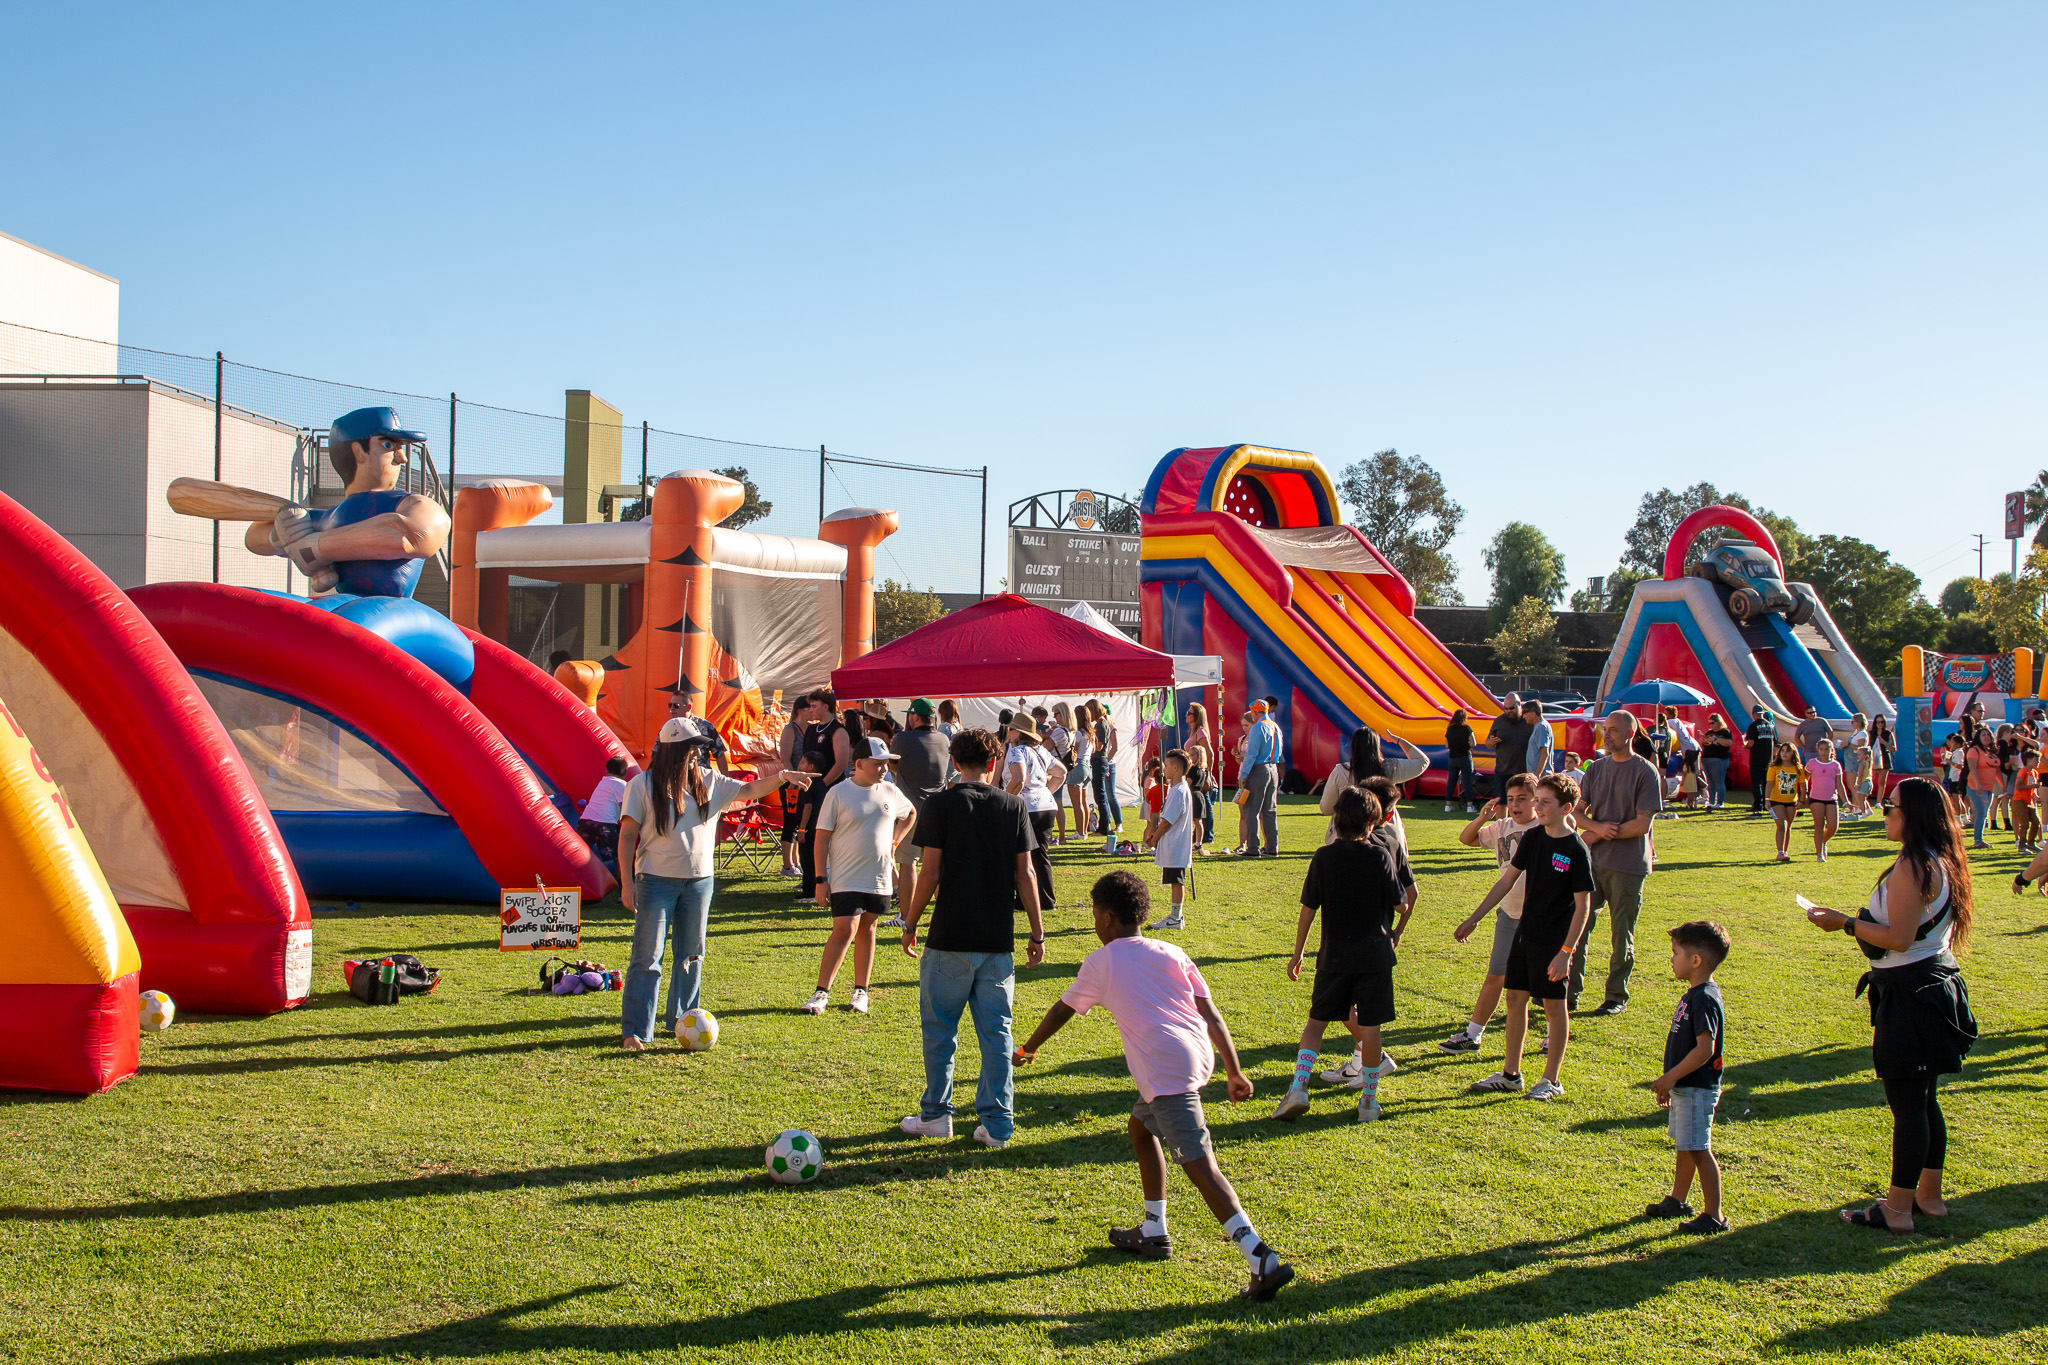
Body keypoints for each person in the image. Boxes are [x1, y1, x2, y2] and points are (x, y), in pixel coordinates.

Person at [1013, 870, 1293, 1302]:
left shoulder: (1102, 961)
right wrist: (1234, 1070)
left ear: (1106, 918)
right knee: (1141, 1129)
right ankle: (1153, 1230)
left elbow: (1062, 1011)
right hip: (1194, 1057)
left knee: (1200, 1165)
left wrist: (1030, 1046)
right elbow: (1211, 1014)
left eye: (1093, 914)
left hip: (1165, 1070)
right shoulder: (1171, 951)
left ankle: (1260, 1257)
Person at [1804, 777, 1978, 1233]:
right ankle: (1929, 1196)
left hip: (1912, 995)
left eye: (1890, 806)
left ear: (1912, 815)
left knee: (1908, 1105)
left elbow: (1898, 938)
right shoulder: (1942, 859)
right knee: (1925, 1101)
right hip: (1934, 985)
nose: (1884, 812)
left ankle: (1898, 1209)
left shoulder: (1912, 866)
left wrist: (1844, 924)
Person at [617, 723, 811, 1050]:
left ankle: (680, 1021)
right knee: (647, 958)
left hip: (700, 883)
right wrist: (626, 882)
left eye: (698, 748)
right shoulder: (641, 784)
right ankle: (635, 1031)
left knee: (692, 955)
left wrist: (782, 777)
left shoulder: (710, 780)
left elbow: (749, 790)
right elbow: (625, 835)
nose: (697, 754)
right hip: (654, 882)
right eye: (690, 748)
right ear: (671, 750)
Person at [898, 727, 1046, 1149]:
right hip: (997, 938)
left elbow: (929, 872)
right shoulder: (1013, 805)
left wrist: (910, 923)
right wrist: (1037, 932)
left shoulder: (939, 804)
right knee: (997, 1034)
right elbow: (1027, 874)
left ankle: (937, 1114)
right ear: (994, 763)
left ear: (955, 763)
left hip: (949, 936)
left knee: (940, 1032)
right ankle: (998, 1124)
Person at [1274, 787, 1410, 1123]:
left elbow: (1308, 908)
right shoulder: (1379, 856)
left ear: (1336, 820)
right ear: (1372, 823)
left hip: (1334, 954)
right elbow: (1401, 903)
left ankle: (1299, 1086)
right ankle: (1369, 1101)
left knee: (1316, 1021)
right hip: (1375, 955)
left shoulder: (1323, 857)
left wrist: (1298, 953)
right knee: (1370, 1025)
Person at [1457, 774, 1594, 1100]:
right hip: (1524, 936)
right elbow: (1506, 882)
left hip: (1554, 943)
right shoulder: (1533, 839)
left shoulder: (1576, 848)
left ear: (1567, 808)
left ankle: (1551, 1080)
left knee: (1553, 1007)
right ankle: (1511, 1074)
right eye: (1538, 800)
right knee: (1515, 1000)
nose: (1537, 806)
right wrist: (1475, 918)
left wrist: (1566, 951)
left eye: (1545, 802)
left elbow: (1583, 907)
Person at [259, 406, 452, 598]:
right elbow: (254, 538)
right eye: (389, 446)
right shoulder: (328, 517)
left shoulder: (411, 505)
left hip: (391, 611)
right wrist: (286, 534)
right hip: (346, 606)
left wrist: (314, 547)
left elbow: (413, 536)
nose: (403, 458)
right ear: (359, 452)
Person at [804, 738, 917, 1015]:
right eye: (877, 764)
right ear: (859, 764)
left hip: (878, 877)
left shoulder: (890, 791)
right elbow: (821, 839)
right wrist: (820, 879)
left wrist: (894, 842)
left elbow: (910, 813)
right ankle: (821, 992)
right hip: (845, 876)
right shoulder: (839, 793)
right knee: (844, 929)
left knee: (868, 928)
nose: (883, 769)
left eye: (886, 764)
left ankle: (861, 991)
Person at [1441, 776, 1543, 1056]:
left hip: (1541, 919)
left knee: (1545, 983)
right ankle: (1473, 1034)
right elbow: (1467, 839)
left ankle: (1551, 1037)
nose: (1515, 805)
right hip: (1509, 914)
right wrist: (1482, 817)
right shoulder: (1502, 827)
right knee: (1496, 975)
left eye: (1522, 798)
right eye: (1510, 799)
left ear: (1537, 800)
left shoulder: (1546, 828)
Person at [1571, 710, 1663, 1016]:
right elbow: (1577, 812)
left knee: (1621, 934)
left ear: (1630, 733)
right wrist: (1595, 828)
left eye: (1613, 730)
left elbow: (1643, 824)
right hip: (1593, 863)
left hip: (1628, 867)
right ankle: (1568, 993)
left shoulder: (1645, 772)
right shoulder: (1596, 769)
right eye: (1605, 730)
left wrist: (1607, 832)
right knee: (1577, 928)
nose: (1607, 735)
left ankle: (1615, 996)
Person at [1646, 920, 1732, 1235]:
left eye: (1676, 953)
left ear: (1695, 961)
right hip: (1686, 1087)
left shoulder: (1705, 998)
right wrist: (1673, 1082)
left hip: (1698, 1088)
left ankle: (1714, 1214)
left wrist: (1670, 1078)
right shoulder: (1694, 993)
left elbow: (1705, 1049)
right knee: (1686, 1145)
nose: (1671, 958)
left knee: (1698, 1147)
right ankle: (1678, 1200)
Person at [886, 699, 954, 928]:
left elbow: (893, 766)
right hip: (939, 810)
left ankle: (905, 917)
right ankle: (947, 915)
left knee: (908, 863)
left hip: (910, 811)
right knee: (935, 866)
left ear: (914, 717)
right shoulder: (944, 739)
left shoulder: (902, 739)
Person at [1004, 716, 1064, 913]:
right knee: (1040, 856)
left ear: (1019, 733)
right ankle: (1046, 901)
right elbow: (1061, 772)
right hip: (1046, 806)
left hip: (1026, 808)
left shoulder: (1017, 751)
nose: (1009, 732)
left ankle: (1021, 900)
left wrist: (1004, 800)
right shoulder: (1041, 751)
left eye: (1012, 729)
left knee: (1019, 856)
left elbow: (1019, 779)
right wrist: (1046, 790)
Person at [1143, 749, 1195, 930]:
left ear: (1175, 767)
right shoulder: (1178, 789)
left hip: (1176, 844)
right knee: (1175, 880)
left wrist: (1154, 838)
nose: (1163, 770)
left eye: (1165, 766)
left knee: (1176, 881)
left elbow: (1166, 822)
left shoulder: (1178, 791)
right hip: (1175, 844)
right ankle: (1175, 916)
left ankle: (1175, 917)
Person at [1236, 699, 1283, 857]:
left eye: (1252, 713)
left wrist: (1243, 775)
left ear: (1255, 712)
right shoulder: (1275, 727)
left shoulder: (1258, 728)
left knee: (1251, 810)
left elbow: (1251, 754)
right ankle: (1272, 847)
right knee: (1269, 810)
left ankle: (1253, 848)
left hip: (1259, 768)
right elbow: (1280, 750)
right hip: (1273, 768)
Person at [577, 755, 631, 884]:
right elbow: (628, 805)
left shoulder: (603, 782)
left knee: (583, 853)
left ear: (606, 770)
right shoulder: (623, 785)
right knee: (619, 857)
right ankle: (623, 890)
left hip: (586, 821)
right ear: (625, 772)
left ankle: (584, 884)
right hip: (605, 824)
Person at [665, 692, 730, 773]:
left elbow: (719, 753)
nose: (672, 709)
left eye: (676, 705)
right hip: (677, 778)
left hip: (702, 777)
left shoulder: (705, 726)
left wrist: (725, 779)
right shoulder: (667, 729)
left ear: (688, 707)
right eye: (670, 705)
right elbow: (657, 755)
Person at [1765, 741, 1805, 862]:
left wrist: (1802, 800)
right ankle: (1780, 852)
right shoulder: (1774, 767)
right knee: (1781, 824)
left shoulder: (1798, 768)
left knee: (1788, 826)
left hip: (1792, 801)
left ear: (1793, 753)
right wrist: (1767, 799)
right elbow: (1769, 783)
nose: (1784, 753)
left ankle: (1785, 851)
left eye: (1788, 751)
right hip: (1776, 800)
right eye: (1782, 751)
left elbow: (1803, 785)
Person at [1805, 739, 1844, 862]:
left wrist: (1846, 801)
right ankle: (1819, 854)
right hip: (1816, 798)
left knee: (1833, 827)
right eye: (1821, 749)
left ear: (1831, 750)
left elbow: (1839, 784)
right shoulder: (1812, 763)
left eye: (1827, 749)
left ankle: (1822, 842)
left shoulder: (1835, 765)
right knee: (1819, 826)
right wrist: (1804, 795)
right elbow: (1804, 779)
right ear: (1818, 750)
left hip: (1832, 798)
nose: (1824, 752)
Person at [1184, 702, 1215, 854]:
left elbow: (1209, 753)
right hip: (1194, 771)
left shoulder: (1200, 732)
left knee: (1203, 803)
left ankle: (1206, 835)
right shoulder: (1193, 731)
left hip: (1198, 773)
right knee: (1201, 803)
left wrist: (1207, 772)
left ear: (1197, 716)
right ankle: (1202, 835)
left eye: (1189, 713)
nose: (1186, 715)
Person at [1094, 701, 1125, 852]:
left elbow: (1115, 747)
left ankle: (1119, 823)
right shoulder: (1099, 726)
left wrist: (1107, 761)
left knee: (1111, 795)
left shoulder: (1111, 727)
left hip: (1109, 764)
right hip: (1104, 762)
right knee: (1103, 795)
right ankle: (1108, 821)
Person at [1964, 726, 2001, 849]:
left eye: (1988, 735)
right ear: (1978, 737)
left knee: (1984, 813)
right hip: (1976, 786)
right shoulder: (1974, 750)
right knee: (1981, 812)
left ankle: (1980, 839)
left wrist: (2003, 786)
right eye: (1983, 735)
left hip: (1989, 787)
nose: (1986, 737)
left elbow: (1997, 770)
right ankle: (1978, 840)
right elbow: (1972, 768)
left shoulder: (1991, 752)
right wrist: (1978, 784)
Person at [1488, 697, 1532, 797]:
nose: (1508, 711)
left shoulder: (1528, 720)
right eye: (1506, 708)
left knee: (1523, 804)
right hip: (1502, 771)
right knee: (1501, 804)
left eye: (1511, 708)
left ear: (1519, 705)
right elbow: (1488, 743)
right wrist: (1491, 742)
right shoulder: (1499, 721)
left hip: (1523, 772)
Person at [1047, 702, 1077, 844]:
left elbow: (1045, 747)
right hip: (1063, 768)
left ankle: (1053, 836)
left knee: (1052, 803)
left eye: (1056, 714)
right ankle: (1062, 836)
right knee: (1058, 803)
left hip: (1053, 770)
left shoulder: (1059, 732)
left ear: (1063, 714)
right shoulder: (1071, 732)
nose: (1055, 717)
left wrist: (1046, 735)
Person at [1068, 702, 1095, 840]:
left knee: (1077, 803)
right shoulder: (1091, 733)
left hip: (1078, 766)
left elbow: (1074, 749)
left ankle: (1080, 832)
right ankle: (1083, 831)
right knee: (1084, 802)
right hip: (1087, 767)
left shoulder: (1079, 733)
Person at [1444, 708, 1477, 812]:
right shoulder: (1467, 728)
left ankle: (1448, 805)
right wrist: (1466, 745)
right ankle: (1469, 806)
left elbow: (1446, 745)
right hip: (1465, 757)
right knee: (1467, 782)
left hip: (1453, 758)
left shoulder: (1450, 729)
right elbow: (1473, 743)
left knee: (1451, 781)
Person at [1745, 706, 1775, 814]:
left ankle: (1758, 805)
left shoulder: (1753, 726)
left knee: (1756, 783)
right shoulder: (1770, 725)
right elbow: (1775, 742)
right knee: (1767, 783)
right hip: (1768, 759)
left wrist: (1746, 746)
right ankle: (1768, 804)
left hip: (1756, 758)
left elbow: (1751, 743)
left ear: (1754, 714)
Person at [1701, 715, 1734, 811]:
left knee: (1718, 781)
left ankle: (1720, 802)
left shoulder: (1725, 732)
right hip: (1707, 758)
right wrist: (1704, 739)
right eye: (1709, 723)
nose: (1711, 725)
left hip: (1719, 758)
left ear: (1719, 722)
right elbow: (1705, 744)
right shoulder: (1710, 732)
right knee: (1710, 782)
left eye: (1713, 723)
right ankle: (1711, 801)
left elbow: (1728, 743)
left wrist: (1715, 739)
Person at [2015, 742, 2042, 856]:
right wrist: (2033, 787)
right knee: (2024, 824)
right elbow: (2018, 786)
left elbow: (2032, 788)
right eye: (2036, 759)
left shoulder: (2034, 772)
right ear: (2028, 760)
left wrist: (2036, 796)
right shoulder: (2023, 771)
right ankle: (2022, 845)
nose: (2038, 762)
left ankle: (2031, 843)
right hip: (2019, 800)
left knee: (2036, 822)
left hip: (2029, 801)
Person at [1994, 723, 2020, 833]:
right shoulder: (2004, 744)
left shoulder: (1999, 744)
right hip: (2003, 773)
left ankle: (1993, 821)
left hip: (1998, 772)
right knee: (2004, 798)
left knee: (1997, 799)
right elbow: (2004, 761)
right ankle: (2006, 823)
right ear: (2006, 733)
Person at [1523, 701, 1554, 779]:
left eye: (1525, 714)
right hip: (1539, 776)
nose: (1523, 717)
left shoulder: (1541, 727)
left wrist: (1537, 776)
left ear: (1533, 714)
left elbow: (1544, 753)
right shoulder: (1539, 726)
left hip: (1541, 776)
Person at [1870, 713, 1895, 796]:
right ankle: (1865, 799)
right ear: (1875, 723)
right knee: (1870, 779)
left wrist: (1884, 742)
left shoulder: (1888, 734)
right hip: (1873, 757)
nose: (1880, 724)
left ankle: (1878, 802)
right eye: (1878, 722)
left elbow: (1894, 748)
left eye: (1882, 722)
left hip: (1885, 757)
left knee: (1882, 782)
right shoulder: (1871, 733)